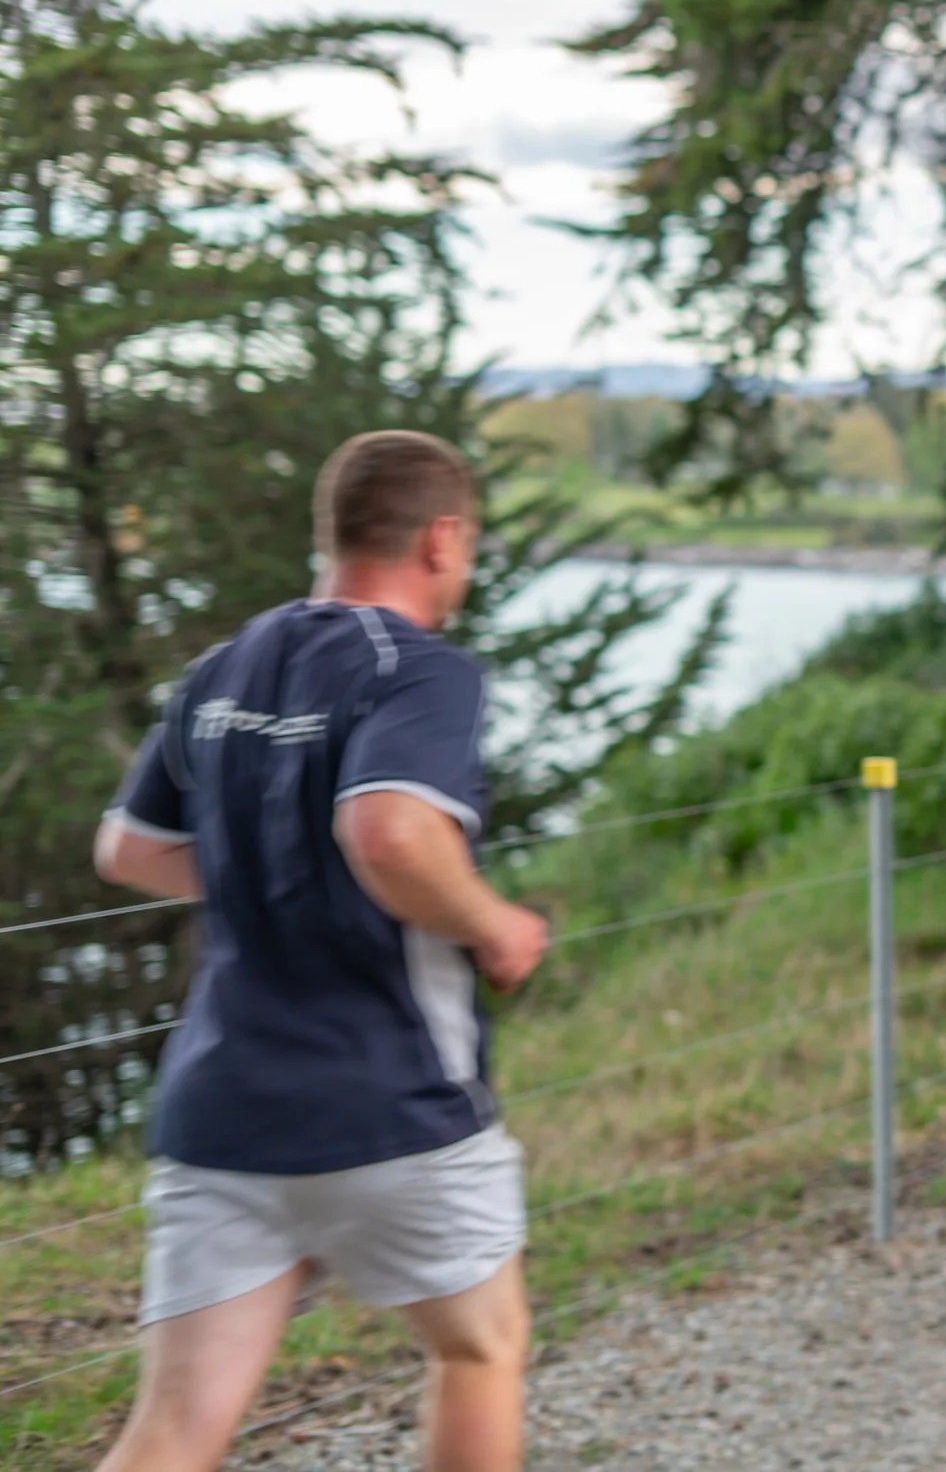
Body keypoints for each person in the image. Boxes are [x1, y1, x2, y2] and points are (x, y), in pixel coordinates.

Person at [91, 431, 548, 1472]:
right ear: (441, 539)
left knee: (175, 1427)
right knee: (480, 1347)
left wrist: (271, 866)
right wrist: (492, 924)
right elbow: (387, 830)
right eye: (466, 546)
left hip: (220, 1118)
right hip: (390, 1104)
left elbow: (127, 849)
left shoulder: (223, 666)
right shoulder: (420, 670)